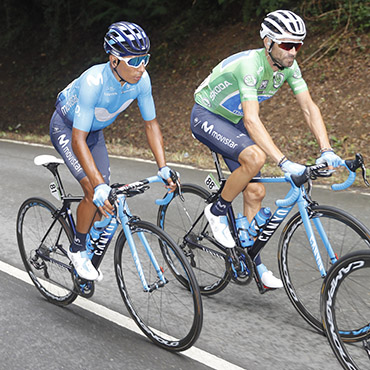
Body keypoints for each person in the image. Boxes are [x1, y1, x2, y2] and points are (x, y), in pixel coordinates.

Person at [190, 10, 342, 288]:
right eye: (287, 44)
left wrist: (326, 149)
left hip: (232, 121)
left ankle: (251, 262)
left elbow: (309, 108)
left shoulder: (289, 68)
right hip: (207, 116)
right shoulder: (251, 65)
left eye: (299, 45)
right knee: (255, 156)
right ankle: (217, 208)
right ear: (267, 42)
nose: (294, 51)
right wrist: (284, 162)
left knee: (257, 190)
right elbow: (251, 119)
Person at [50, 21, 176, 281]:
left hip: (93, 134)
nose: (141, 67)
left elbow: (150, 124)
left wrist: (162, 166)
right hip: (68, 129)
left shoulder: (141, 81)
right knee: (92, 189)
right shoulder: (93, 81)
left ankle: (91, 234)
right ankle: (76, 249)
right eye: (134, 61)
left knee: (104, 199)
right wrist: (96, 184)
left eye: (145, 59)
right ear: (114, 60)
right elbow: (77, 140)